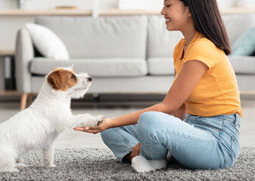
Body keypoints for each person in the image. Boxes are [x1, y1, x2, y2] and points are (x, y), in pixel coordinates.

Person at [74, 0, 242, 172]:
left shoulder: (203, 48)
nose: (162, 11)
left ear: (190, 9)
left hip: (218, 145)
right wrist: (122, 128)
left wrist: (113, 122)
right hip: (191, 129)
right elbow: (179, 110)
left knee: (148, 120)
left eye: (168, 5)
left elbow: (168, 106)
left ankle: (153, 159)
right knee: (112, 130)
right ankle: (149, 155)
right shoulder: (181, 48)